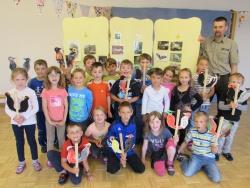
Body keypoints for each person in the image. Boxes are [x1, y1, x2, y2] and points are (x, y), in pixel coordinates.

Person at [200, 16, 239, 116]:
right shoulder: (206, 42)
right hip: (209, 78)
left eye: (220, 27)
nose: (217, 29)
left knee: (223, 108)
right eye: (215, 27)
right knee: (203, 104)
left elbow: (234, 65)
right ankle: (202, 129)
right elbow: (202, 60)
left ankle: (219, 129)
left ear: (226, 27)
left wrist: (233, 84)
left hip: (224, 79)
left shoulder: (231, 44)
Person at [5, 68, 41, 174]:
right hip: (16, 122)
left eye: (22, 79)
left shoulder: (31, 92)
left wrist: (24, 117)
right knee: (19, 142)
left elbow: (36, 108)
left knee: (32, 141)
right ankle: (21, 162)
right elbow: (7, 108)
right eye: (17, 79)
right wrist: (15, 117)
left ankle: (35, 161)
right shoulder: (10, 93)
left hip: (29, 121)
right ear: (13, 80)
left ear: (26, 79)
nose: (20, 82)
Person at [178, 111, 221, 183]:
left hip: (209, 158)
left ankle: (203, 167)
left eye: (201, 122)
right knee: (187, 173)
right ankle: (185, 160)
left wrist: (214, 148)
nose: (198, 124)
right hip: (196, 156)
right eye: (196, 121)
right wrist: (179, 150)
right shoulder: (192, 131)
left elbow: (214, 152)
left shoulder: (212, 134)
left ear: (206, 123)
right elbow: (185, 142)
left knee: (216, 179)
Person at [106, 101, 145, 174]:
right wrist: (119, 154)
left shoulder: (133, 125)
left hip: (128, 150)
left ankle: (125, 159)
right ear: (119, 113)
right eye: (123, 112)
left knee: (141, 169)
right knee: (112, 169)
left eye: (128, 112)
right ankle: (117, 160)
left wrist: (126, 153)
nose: (126, 115)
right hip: (116, 150)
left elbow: (132, 141)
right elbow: (109, 142)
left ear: (131, 112)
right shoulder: (114, 125)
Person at [217, 73, 248, 161]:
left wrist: (237, 106)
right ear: (229, 83)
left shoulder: (243, 94)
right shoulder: (225, 92)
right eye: (233, 82)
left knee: (230, 137)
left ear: (241, 84)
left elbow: (245, 108)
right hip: (225, 119)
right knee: (221, 136)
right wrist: (229, 106)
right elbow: (220, 106)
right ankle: (218, 151)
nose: (236, 84)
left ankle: (226, 151)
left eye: (238, 82)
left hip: (235, 120)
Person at [41, 66, 68, 166]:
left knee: (61, 139)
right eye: (51, 75)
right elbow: (44, 107)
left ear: (60, 76)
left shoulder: (62, 90)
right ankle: (50, 158)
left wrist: (64, 119)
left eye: (56, 74)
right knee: (50, 139)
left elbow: (66, 106)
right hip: (50, 121)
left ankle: (63, 156)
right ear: (47, 77)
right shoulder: (45, 91)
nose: (54, 77)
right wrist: (49, 120)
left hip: (61, 120)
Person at [170, 68, 203, 145]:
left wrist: (191, 109)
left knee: (182, 131)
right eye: (181, 77)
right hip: (175, 114)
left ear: (189, 78)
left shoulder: (191, 90)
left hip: (185, 115)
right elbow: (172, 102)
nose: (183, 79)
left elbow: (200, 100)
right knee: (172, 129)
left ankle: (180, 145)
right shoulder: (175, 89)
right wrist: (170, 113)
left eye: (186, 77)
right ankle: (171, 144)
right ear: (179, 78)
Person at [141, 111, 178, 176]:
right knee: (161, 172)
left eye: (157, 122)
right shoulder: (147, 132)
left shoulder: (165, 131)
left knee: (172, 145)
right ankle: (164, 161)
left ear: (161, 122)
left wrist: (175, 142)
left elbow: (171, 144)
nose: (154, 125)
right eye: (152, 122)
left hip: (165, 151)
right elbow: (144, 147)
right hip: (156, 154)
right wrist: (143, 158)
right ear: (148, 123)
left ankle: (170, 163)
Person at [28, 59, 48, 153]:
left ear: (46, 69)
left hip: (49, 109)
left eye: (43, 68)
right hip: (39, 110)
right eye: (38, 69)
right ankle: (43, 144)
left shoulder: (49, 80)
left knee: (50, 126)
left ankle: (52, 142)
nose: (40, 71)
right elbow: (29, 96)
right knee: (41, 127)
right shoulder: (32, 82)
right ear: (35, 70)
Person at [133, 53, 152, 144]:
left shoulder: (151, 74)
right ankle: (138, 138)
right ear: (139, 63)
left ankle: (146, 139)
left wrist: (147, 88)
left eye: (147, 62)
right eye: (142, 62)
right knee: (138, 120)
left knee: (147, 120)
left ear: (150, 63)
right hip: (138, 101)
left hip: (148, 102)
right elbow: (132, 86)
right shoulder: (136, 73)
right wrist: (139, 89)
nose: (144, 64)